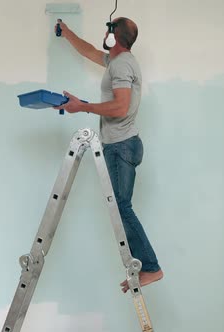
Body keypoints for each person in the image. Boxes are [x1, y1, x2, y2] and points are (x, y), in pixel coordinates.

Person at [53, 17, 163, 293]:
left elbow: (120, 108)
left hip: (121, 145)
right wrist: (67, 33)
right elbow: (90, 50)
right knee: (121, 207)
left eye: (108, 31)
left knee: (121, 207)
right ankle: (148, 267)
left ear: (115, 37)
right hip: (123, 144)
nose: (105, 34)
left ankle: (151, 267)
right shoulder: (115, 62)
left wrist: (83, 108)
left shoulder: (123, 64)